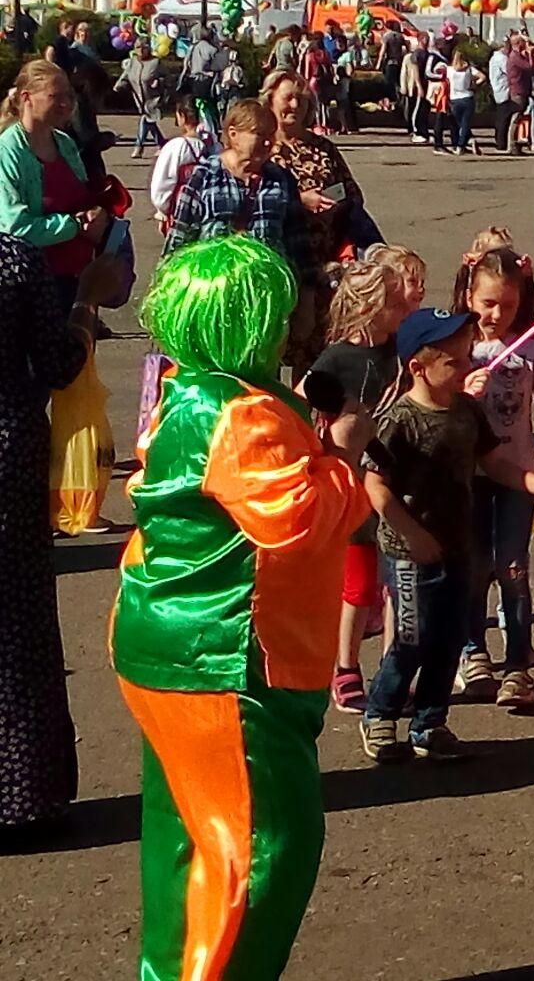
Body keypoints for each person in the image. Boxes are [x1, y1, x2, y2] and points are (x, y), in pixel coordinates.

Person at [113, 236, 371, 978]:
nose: (304, 319)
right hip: (223, 661)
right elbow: (296, 517)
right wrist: (345, 458)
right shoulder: (235, 413)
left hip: (168, 647)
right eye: (287, 310)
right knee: (261, 851)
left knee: (186, 838)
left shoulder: (189, 393)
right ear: (249, 323)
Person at [359, 308, 534, 763]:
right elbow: (376, 487)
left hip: (458, 546)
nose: (467, 369)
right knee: (412, 638)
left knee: (450, 636)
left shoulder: (466, 412)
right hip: (407, 552)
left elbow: (495, 462)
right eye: (454, 362)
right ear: (418, 368)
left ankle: (430, 723)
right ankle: (380, 713)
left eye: (466, 357)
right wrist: (412, 535)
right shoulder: (399, 420)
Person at [0, 236, 119, 844]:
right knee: (16, 623)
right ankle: (23, 795)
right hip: (7, 453)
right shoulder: (13, 261)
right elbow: (56, 363)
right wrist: (84, 304)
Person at [454, 241, 534, 709]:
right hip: (469, 477)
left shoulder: (530, 349)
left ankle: (519, 665)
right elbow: (429, 399)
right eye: (488, 304)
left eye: (508, 304)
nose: (497, 314)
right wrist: (463, 389)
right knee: (474, 566)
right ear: (469, 298)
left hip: (519, 475)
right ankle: (473, 650)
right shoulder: (456, 348)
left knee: (514, 568)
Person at [302, 258, 415, 714]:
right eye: (394, 304)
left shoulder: (400, 352)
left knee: (395, 585)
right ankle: (345, 666)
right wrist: (342, 411)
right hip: (351, 486)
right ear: (371, 308)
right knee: (358, 586)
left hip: (392, 479)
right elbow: (310, 388)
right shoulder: (338, 358)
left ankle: (393, 670)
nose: (402, 310)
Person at [163, 99, 318, 293]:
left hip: (267, 294)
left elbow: (299, 243)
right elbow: (179, 238)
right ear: (233, 135)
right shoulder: (204, 176)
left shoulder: (281, 179)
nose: (268, 142)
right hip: (212, 293)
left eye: (271, 135)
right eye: (259, 134)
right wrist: (167, 288)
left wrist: (308, 296)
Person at [0, 61, 106, 313]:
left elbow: (84, 197)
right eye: (55, 96)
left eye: (69, 96)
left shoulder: (65, 144)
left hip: (77, 279)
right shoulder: (8, 151)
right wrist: (75, 225)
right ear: (27, 98)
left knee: (79, 351)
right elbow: (15, 228)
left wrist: (99, 212)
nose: (66, 104)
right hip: (29, 288)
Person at [262, 70, 371, 268]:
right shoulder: (261, 148)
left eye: (301, 100)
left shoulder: (323, 147)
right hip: (282, 255)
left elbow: (353, 195)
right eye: (288, 98)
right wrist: (300, 201)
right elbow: (251, 199)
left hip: (331, 255)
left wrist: (334, 202)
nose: (295, 106)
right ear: (269, 99)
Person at [147, 99, 206, 237]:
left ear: (182, 117)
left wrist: (163, 210)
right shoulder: (213, 145)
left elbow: (163, 181)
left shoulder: (176, 146)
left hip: (180, 211)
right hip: (207, 209)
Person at [117, 38, 167, 159]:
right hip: (139, 98)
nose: (140, 50)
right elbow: (125, 76)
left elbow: (167, 78)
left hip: (153, 98)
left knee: (145, 120)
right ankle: (162, 144)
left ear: (148, 49)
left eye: (143, 47)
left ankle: (138, 147)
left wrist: (159, 82)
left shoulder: (156, 62)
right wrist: (118, 86)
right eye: (137, 47)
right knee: (150, 122)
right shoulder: (133, 62)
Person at [444, 49, 482, 156]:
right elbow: (482, 77)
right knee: (465, 123)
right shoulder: (469, 69)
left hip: (454, 99)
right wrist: (474, 85)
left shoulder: (450, 70)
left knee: (458, 123)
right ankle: (465, 143)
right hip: (467, 97)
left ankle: (463, 144)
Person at [489, 36, 516, 154]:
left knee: (501, 117)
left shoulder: (495, 58)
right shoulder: (501, 58)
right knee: (503, 118)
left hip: (499, 89)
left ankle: (499, 141)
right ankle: (501, 142)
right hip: (503, 90)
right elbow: (509, 71)